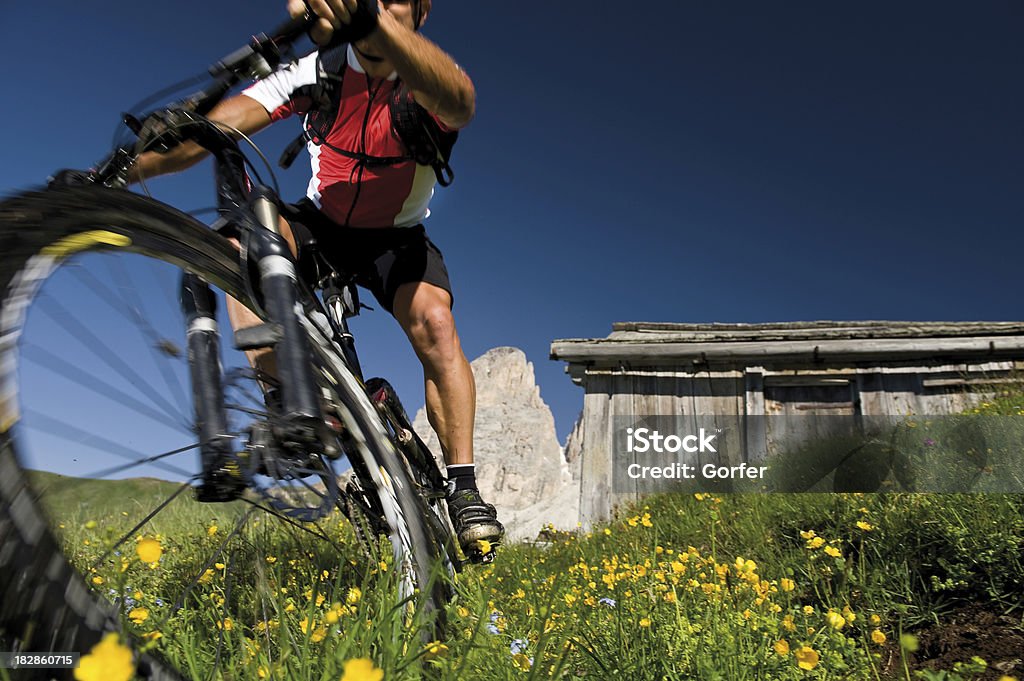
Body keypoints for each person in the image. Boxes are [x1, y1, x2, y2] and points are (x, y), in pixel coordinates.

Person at [129, 0, 504, 556]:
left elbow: (460, 100)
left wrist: (370, 23)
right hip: (320, 221)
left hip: (394, 237)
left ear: (420, 14)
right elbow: (212, 129)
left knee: (436, 324)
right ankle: (287, 404)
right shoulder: (318, 72)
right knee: (243, 239)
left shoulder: (423, 81)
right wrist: (118, 171)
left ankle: (464, 489)